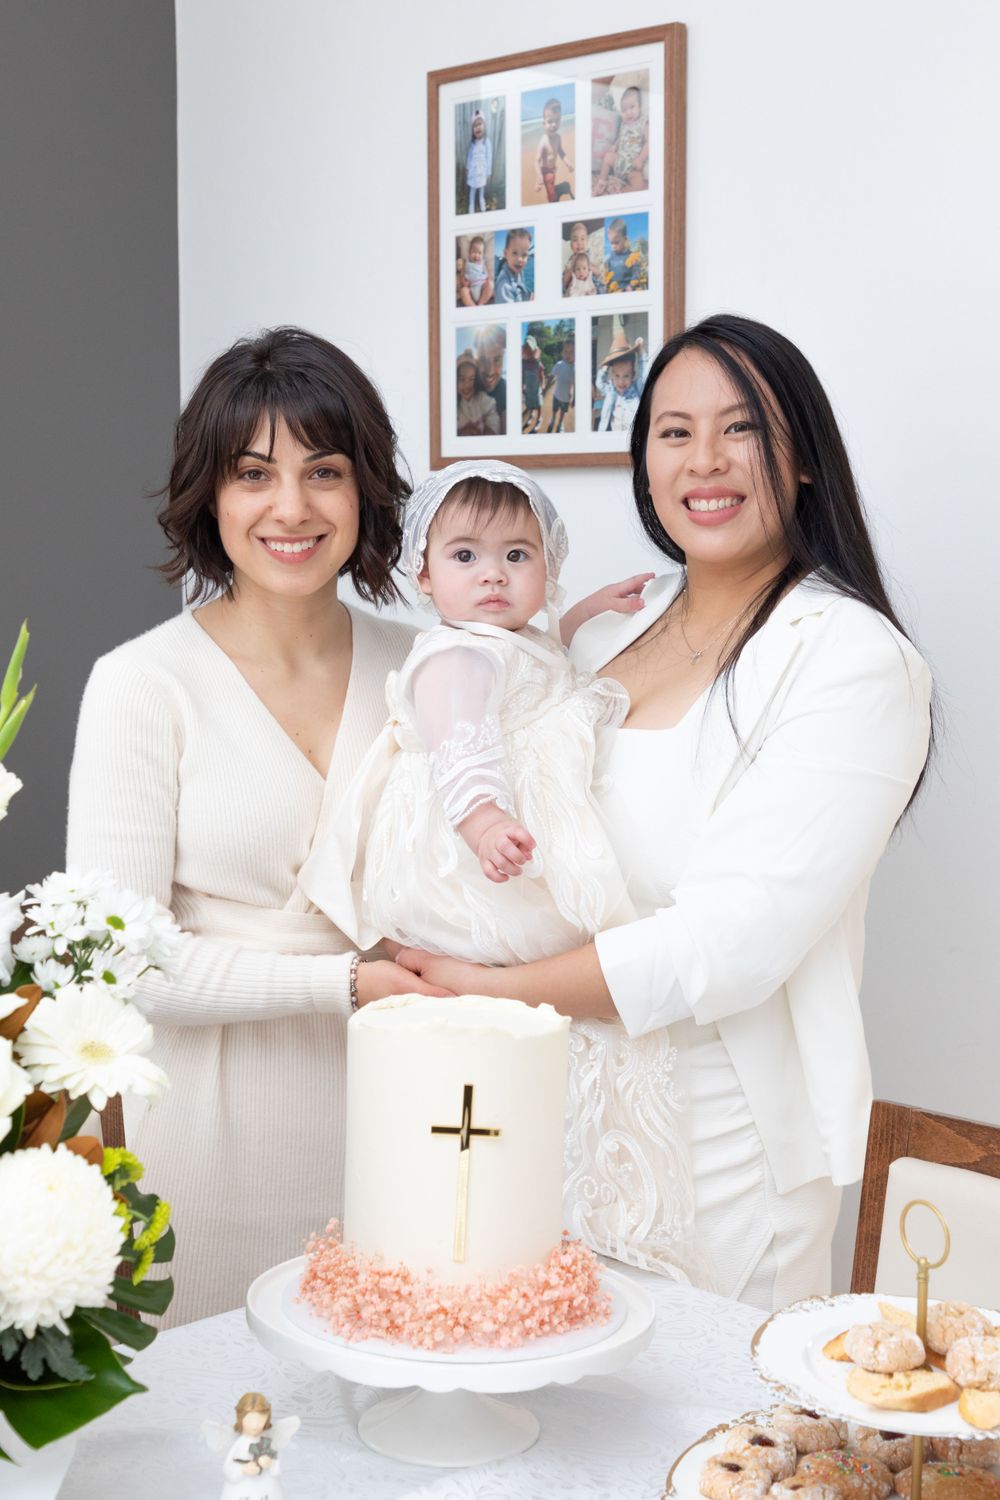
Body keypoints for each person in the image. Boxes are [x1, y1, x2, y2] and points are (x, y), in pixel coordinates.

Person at [393, 314, 934, 1310]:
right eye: (673, 432)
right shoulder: (612, 639)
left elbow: (732, 944)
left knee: (699, 1441)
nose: (705, 462)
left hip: (721, 1133)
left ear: (802, 456)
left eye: (742, 429)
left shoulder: (847, 658)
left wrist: (484, 990)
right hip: (552, 1098)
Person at [66, 327, 447, 1326]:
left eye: (323, 471)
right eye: (253, 474)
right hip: (211, 1135)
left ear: (365, 489)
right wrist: (341, 981)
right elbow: (122, 962)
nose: (291, 507)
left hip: (403, 1114)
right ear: (210, 497)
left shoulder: (430, 666)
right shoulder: (142, 685)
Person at [297, 462, 697, 1276]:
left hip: (499, 834)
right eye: (467, 557)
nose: (493, 577)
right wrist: (483, 821)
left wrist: (588, 612)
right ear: (423, 574)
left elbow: (545, 654)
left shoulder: (512, 643)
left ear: (545, 570)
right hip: (469, 846)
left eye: (518, 557)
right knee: (542, 954)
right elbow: (461, 745)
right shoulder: (454, 658)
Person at [594, 84, 649, 196]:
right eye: (624, 110)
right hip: (619, 161)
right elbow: (621, 137)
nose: (628, 112)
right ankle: (601, 182)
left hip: (632, 165)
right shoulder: (624, 124)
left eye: (632, 107)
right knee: (608, 157)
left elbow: (649, 142)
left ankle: (620, 193)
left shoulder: (643, 123)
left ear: (639, 106)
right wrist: (614, 145)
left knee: (639, 184)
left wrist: (641, 159)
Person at [595, 331, 646, 431]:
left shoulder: (637, 389)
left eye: (626, 376)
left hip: (634, 441)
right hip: (614, 442)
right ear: (612, 375)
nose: (621, 382)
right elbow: (599, 383)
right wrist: (606, 366)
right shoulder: (610, 390)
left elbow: (647, 377)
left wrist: (641, 353)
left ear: (633, 375)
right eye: (617, 376)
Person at [534, 97, 573, 202]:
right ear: (544, 124)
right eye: (550, 121)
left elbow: (560, 151)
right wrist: (539, 175)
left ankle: (552, 191)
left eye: (557, 120)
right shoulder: (544, 141)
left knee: (552, 182)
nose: (554, 124)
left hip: (552, 169)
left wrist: (567, 162)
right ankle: (553, 201)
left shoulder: (558, 137)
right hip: (546, 171)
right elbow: (537, 160)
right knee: (550, 189)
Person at [456, 350, 500, 437]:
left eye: (471, 379)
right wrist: (460, 434)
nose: (467, 385)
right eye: (461, 379)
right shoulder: (453, 405)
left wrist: (490, 430)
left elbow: (492, 414)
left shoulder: (481, 398)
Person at [474, 324, 507, 431]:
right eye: (483, 359)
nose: (490, 371)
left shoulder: (504, 389)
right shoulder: (465, 385)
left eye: (497, 359)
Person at [465, 108, 492, 214]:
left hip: (482, 171)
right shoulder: (472, 143)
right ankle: (471, 205)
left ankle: (482, 202)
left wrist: (488, 173)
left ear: (484, 125)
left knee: (481, 189)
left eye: (480, 124)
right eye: (475, 126)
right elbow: (469, 156)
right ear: (473, 129)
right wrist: (467, 167)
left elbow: (489, 157)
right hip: (473, 171)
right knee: (472, 189)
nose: (478, 127)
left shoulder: (487, 142)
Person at [494, 227, 532, 303]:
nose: (520, 259)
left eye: (524, 255)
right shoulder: (504, 285)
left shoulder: (518, 270)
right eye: (515, 253)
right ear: (506, 254)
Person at [604, 218, 641, 293]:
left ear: (625, 239)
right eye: (611, 243)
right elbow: (608, 269)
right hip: (614, 289)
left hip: (626, 289)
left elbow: (636, 272)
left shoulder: (630, 256)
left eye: (616, 242)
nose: (613, 246)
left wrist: (631, 285)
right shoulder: (611, 256)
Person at [547, 339, 575, 432]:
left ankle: (560, 423)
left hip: (566, 398)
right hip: (556, 395)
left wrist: (574, 397)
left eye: (572, 352)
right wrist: (546, 387)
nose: (568, 354)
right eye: (566, 351)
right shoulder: (559, 364)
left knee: (563, 412)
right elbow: (551, 376)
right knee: (554, 410)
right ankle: (553, 419)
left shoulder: (575, 368)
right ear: (562, 353)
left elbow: (575, 384)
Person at [458, 234, 493, 307]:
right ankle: (472, 306)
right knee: (463, 291)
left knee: (490, 284)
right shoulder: (466, 262)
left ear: (483, 254)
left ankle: (481, 303)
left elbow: (487, 274)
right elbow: (463, 273)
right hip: (470, 288)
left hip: (482, 287)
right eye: (474, 252)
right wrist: (464, 282)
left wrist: (487, 281)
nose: (477, 255)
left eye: (480, 253)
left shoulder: (482, 263)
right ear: (469, 252)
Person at [521, 335, 545, 432]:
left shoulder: (537, 363)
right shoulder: (523, 363)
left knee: (538, 404)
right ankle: (531, 415)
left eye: (530, 348)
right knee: (530, 403)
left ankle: (539, 418)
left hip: (536, 388)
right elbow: (522, 376)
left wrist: (542, 384)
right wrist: (522, 386)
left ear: (534, 350)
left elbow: (541, 374)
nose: (529, 351)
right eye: (526, 349)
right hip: (528, 389)